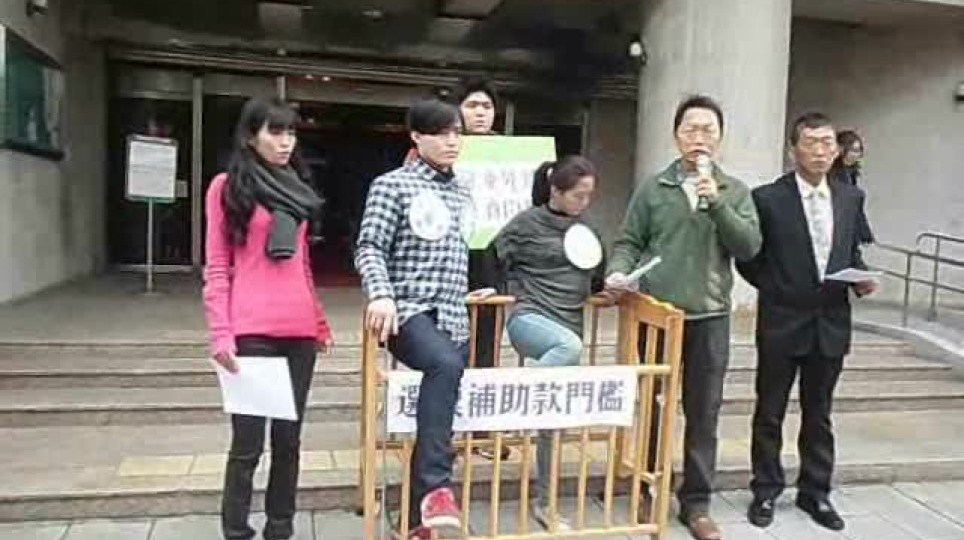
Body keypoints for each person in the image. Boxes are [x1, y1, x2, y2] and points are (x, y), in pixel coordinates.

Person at [606, 95, 762, 540]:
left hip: (710, 318)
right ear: (676, 136)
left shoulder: (734, 191)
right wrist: (618, 271)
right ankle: (648, 487)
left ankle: (696, 504)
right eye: (691, 129)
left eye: (708, 130)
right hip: (659, 317)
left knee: (703, 412)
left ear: (720, 138)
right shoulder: (655, 188)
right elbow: (630, 240)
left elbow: (749, 247)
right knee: (655, 406)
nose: (699, 137)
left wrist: (718, 204)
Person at [738, 112, 877, 532]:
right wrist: (778, 287)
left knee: (820, 413)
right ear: (793, 150)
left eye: (828, 143)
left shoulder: (850, 197)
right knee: (770, 411)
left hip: (830, 320)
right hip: (782, 320)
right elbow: (748, 258)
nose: (821, 151)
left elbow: (850, 251)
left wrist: (860, 278)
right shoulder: (767, 198)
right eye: (812, 142)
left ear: (837, 150)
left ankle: (815, 492)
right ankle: (765, 489)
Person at [203, 97, 334, 540]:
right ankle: (236, 530)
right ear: (250, 136)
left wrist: (318, 320)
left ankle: (281, 528)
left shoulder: (297, 186)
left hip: (298, 330)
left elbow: (302, 264)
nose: (285, 142)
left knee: (289, 440)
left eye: (291, 132)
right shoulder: (227, 187)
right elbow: (217, 266)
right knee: (247, 445)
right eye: (275, 132)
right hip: (251, 330)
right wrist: (221, 334)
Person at [355, 97, 473, 539]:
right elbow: (369, 246)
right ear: (417, 137)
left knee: (437, 420)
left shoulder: (463, 191)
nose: (451, 141)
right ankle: (438, 489)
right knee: (444, 365)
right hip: (407, 310)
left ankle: (413, 525)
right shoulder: (392, 185)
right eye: (441, 133)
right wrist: (381, 295)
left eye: (457, 132)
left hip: (454, 316)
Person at [493, 156, 607, 531]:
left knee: (553, 421)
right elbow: (492, 256)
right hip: (530, 319)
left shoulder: (587, 229)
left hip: (569, 324)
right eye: (578, 195)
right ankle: (512, 397)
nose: (584, 202)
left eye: (589, 196)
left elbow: (596, 277)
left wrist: (613, 286)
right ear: (555, 191)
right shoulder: (525, 223)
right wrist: (500, 288)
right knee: (569, 348)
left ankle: (545, 504)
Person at [830, 130, 875, 244]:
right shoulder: (832, 173)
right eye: (853, 150)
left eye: (858, 151)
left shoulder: (851, 174)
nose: (856, 155)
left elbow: (856, 208)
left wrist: (865, 233)